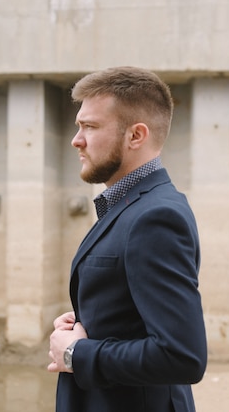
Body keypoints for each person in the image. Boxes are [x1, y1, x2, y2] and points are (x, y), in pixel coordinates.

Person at [47, 66, 207, 412]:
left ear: (136, 136)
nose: (77, 139)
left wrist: (76, 353)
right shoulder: (130, 204)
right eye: (79, 126)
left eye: (90, 127)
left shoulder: (156, 217)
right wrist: (89, 318)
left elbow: (182, 355)